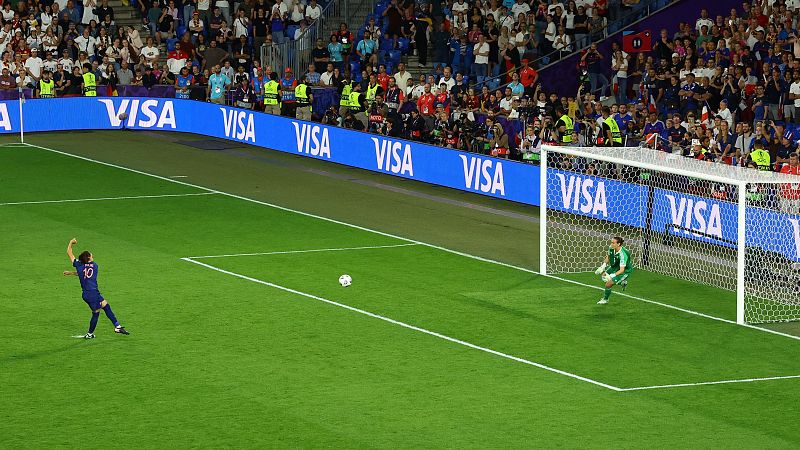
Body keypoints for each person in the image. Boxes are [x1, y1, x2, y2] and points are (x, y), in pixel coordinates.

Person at [63, 238, 129, 338]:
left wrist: (71, 242)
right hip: (92, 294)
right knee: (96, 313)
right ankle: (90, 334)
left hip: (90, 294)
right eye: (91, 255)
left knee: (106, 306)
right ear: (89, 258)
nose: (92, 255)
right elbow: (87, 273)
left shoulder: (79, 265)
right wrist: (72, 273)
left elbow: (69, 252)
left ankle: (117, 326)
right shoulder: (95, 266)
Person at [595, 236, 633, 305]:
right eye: (611, 242)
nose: (611, 244)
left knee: (608, 284)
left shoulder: (623, 254)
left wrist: (613, 275)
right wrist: (603, 266)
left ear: (618, 244)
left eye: (613, 243)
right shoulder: (611, 248)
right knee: (603, 276)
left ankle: (605, 299)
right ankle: (622, 282)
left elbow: (622, 270)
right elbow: (609, 256)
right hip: (615, 266)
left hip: (624, 271)